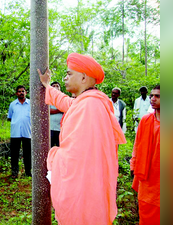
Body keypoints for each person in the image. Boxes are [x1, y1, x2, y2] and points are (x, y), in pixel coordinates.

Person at [38, 53, 126, 224]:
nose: (65, 78)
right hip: (90, 184)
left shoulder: (89, 106)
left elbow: (75, 157)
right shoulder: (87, 101)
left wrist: (53, 156)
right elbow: (65, 102)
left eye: (69, 74)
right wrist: (47, 86)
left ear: (84, 77)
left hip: (85, 187)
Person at [130, 85, 160, 225]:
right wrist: (133, 165)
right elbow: (137, 145)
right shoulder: (145, 120)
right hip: (147, 177)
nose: (153, 99)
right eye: (151, 96)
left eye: (158, 96)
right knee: (147, 215)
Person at [7, 85, 32, 178]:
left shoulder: (31, 103)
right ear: (16, 93)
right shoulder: (12, 104)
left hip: (27, 132)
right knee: (14, 154)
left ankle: (28, 172)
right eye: (19, 91)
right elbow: (9, 117)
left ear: (26, 92)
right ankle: (14, 172)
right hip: (15, 132)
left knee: (28, 153)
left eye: (23, 91)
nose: (21, 93)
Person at [49, 82, 63, 147]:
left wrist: (61, 109)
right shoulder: (47, 99)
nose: (55, 87)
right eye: (53, 86)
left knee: (60, 148)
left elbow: (66, 109)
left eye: (57, 86)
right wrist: (59, 110)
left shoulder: (63, 99)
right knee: (49, 148)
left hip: (60, 129)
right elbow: (48, 111)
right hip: (50, 128)